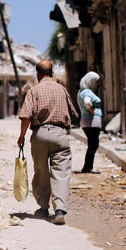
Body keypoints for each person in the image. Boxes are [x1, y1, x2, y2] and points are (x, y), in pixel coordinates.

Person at [17, 60, 80, 225]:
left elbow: (25, 116)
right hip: (60, 135)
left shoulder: (33, 91)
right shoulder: (62, 89)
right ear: (52, 74)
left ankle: (43, 208)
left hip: (40, 134)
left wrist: (22, 136)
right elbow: (74, 114)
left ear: (37, 74)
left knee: (41, 172)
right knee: (61, 173)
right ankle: (59, 210)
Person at [77, 71, 102, 173]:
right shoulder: (87, 92)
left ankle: (88, 166)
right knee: (93, 145)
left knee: (92, 144)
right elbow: (87, 102)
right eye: (96, 82)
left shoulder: (81, 92)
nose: (97, 84)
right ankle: (87, 167)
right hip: (91, 122)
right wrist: (91, 111)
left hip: (85, 121)